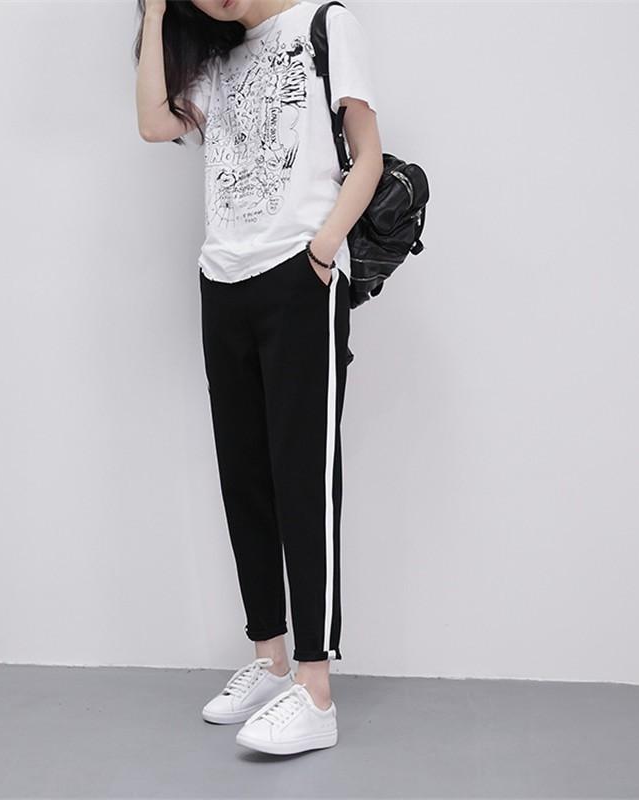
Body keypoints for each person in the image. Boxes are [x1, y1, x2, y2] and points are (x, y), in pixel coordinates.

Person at [135, 0, 383, 755]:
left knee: (303, 476)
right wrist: (155, 14)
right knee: (244, 475)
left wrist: (324, 247)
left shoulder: (325, 24)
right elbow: (153, 123)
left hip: (298, 276)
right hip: (223, 280)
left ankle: (316, 687)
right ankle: (271, 659)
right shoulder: (215, 56)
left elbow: (369, 156)